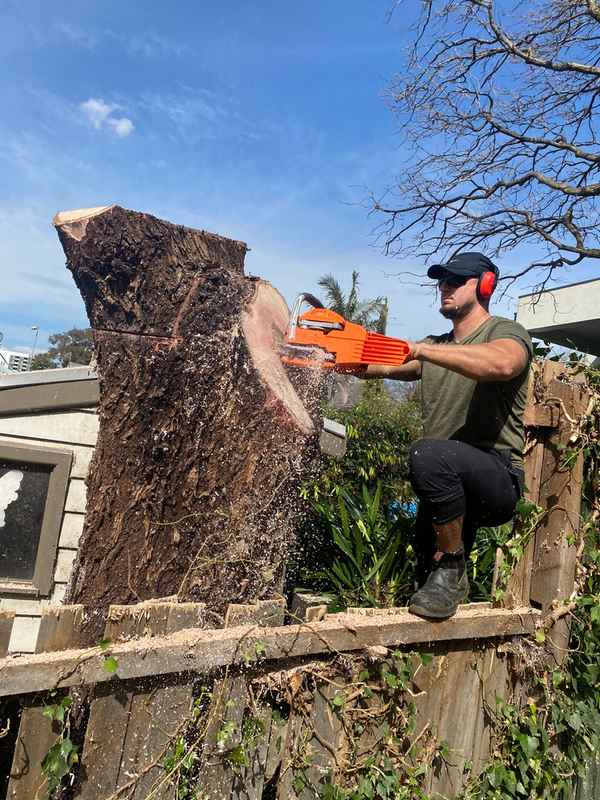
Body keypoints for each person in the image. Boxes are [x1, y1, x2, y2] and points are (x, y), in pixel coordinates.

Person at [361, 252, 533, 619]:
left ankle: (453, 565)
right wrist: (334, 353)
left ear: (485, 284)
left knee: (428, 454)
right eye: (442, 280)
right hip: (447, 487)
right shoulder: (434, 347)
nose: (445, 287)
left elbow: (503, 363)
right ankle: (448, 580)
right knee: (425, 589)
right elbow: (376, 364)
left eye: (457, 279)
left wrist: (423, 349)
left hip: (497, 478)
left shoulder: (505, 333)